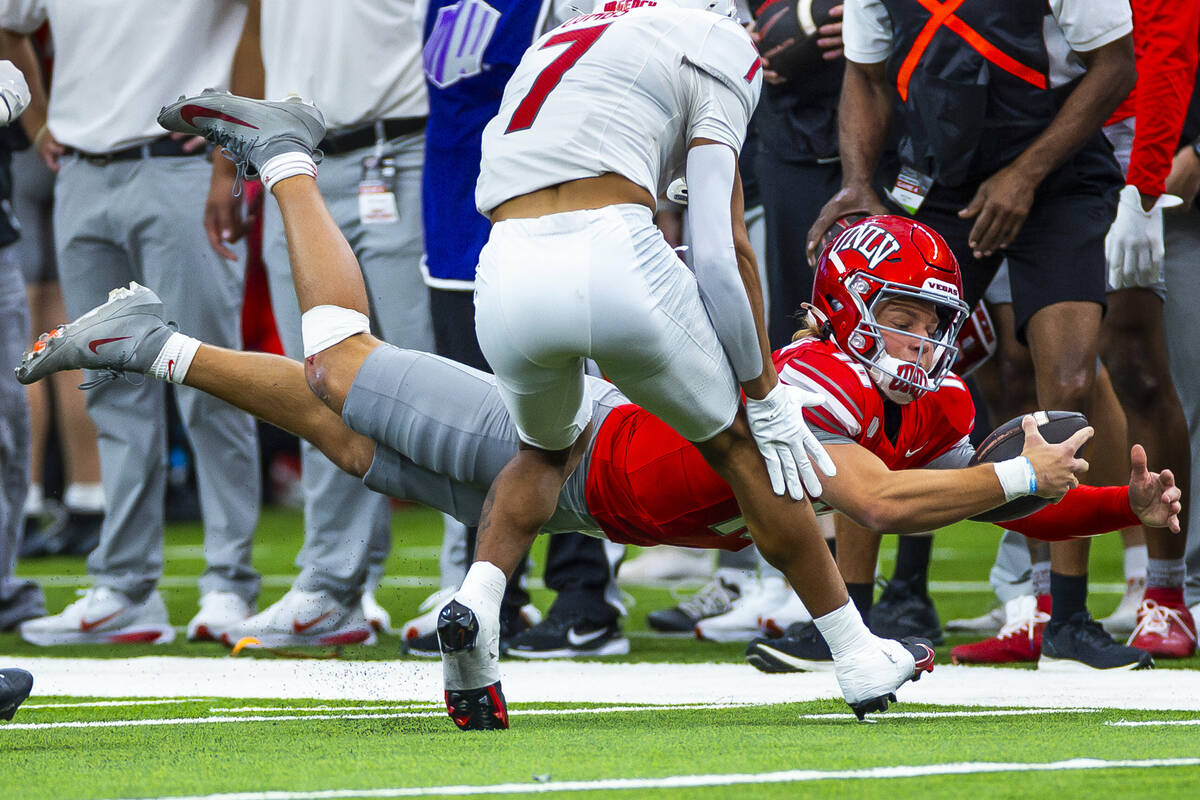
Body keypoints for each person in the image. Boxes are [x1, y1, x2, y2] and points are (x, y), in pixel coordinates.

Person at [809, 0, 1145, 671]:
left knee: (1071, 374)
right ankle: (847, 617)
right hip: (940, 172)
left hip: (1060, 174)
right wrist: (855, 184)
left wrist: (1024, 175)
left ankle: (1068, 618)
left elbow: (1115, 66)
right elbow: (866, 75)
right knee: (882, 363)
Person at [2, 0, 262, 646]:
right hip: (81, 172)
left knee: (213, 378)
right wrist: (38, 125)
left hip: (181, 166)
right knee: (109, 391)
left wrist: (232, 143)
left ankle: (229, 579)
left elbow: (262, 14)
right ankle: (124, 587)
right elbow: (8, 24)